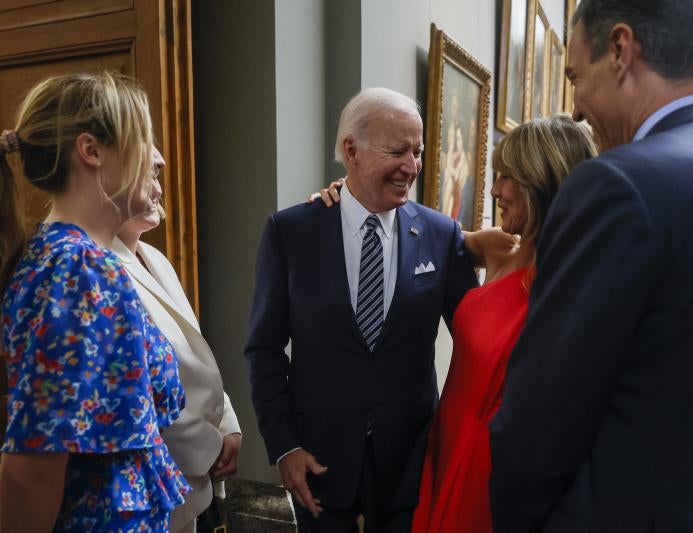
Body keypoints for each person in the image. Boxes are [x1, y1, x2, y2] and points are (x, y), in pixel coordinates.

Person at [489, 1, 693, 532]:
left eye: (575, 77)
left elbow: (537, 430)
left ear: (619, 50)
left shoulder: (616, 185)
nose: (579, 108)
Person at [245, 87, 478, 533]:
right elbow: (264, 349)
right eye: (398, 150)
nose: (412, 167)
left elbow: (475, 341)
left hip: (412, 465)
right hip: (318, 466)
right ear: (351, 151)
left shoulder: (441, 235)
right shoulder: (291, 233)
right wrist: (283, 446)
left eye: (419, 151)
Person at [0, 72, 189, 532]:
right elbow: (32, 473)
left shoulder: (72, 260)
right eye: (144, 140)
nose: (158, 159)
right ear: (91, 151)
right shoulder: (77, 271)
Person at [411, 115, 596, 533]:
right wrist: (344, 199)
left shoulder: (571, 280)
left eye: (507, 177)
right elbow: (417, 238)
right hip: (447, 436)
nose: (494, 190)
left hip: (495, 464)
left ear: (543, 184)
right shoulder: (496, 247)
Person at [111, 148, 242, 533]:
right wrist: (211, 448)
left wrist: (229, 423)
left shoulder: (155, 257)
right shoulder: (97, 269)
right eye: (147, 175)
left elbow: (192, 355)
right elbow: (142, 392)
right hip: (153, 482)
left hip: (191, 478)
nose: (159, 187)